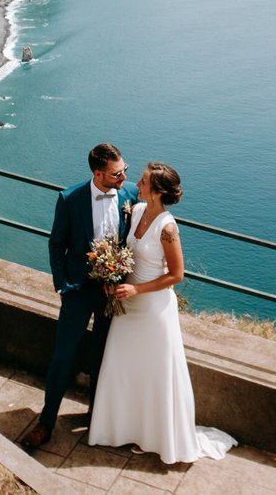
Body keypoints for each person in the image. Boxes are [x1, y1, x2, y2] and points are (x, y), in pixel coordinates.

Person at [88, 161, 236, 463]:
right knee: (122, 367)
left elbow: (177, 275)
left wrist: (136, 290)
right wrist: (114, 277)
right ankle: (120, 428)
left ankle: (153, 437)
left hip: (153, 309)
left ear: (156, 192)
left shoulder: (168, 228)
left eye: (142, 181)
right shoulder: (138, 211)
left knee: (154, 374)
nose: (136, 184)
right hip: (127, 305)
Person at [20, 142, 138, 450]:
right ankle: (46, 422)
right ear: (98, 174)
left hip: (112, 293)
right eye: (117, 173)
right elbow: (56, 244)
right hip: (77, 292)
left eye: (124, 169)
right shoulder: (70, 198)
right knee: (63, 357)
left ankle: (96, 417)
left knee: (103, 356)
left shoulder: (130, 195)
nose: (125, 177)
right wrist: (62, 285)